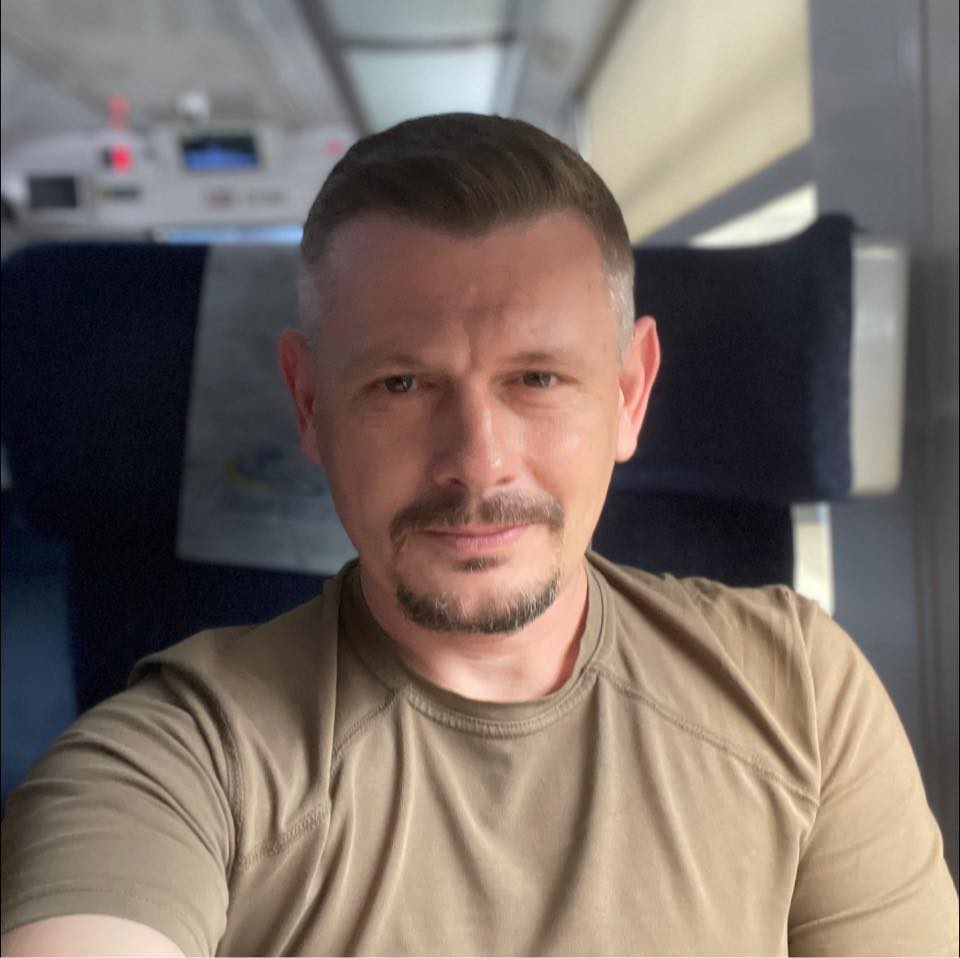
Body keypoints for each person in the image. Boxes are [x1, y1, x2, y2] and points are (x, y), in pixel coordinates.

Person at [1, 113, 957, 957]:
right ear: (310, 403)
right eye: (402, 384)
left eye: (536, 379)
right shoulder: (182, 759)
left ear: (630, 394)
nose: (478, 462)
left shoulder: (800, 694)